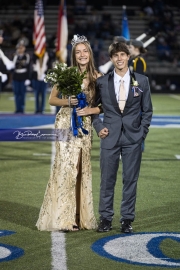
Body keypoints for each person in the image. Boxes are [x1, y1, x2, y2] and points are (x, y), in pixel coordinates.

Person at [36, 34, 102, 232]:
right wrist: (69, 102)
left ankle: (79, 216)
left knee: (81, 168)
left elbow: (104, 106)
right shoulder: (66, 74)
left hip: (84, 126)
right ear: (74, 55)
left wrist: (90, 110)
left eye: (85, 51)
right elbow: (52, 100)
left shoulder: (98, 77)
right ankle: (64, 219)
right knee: (66, 168)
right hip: (65, 123)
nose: (82, 55)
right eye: (78, 52)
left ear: (90, 54)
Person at [92, 42, 153, 233]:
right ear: (111, 59)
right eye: (115, 55)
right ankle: (105, 219)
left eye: (122, 55)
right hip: (109, 137)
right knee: (107, 180)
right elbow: (94, 110)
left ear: (128, 57)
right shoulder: (101, 82)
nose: (119, 58)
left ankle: (127, 219)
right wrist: (98, 126)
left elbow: (148, 111)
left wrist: (141, 133)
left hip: (133, 139)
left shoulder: (142, 81)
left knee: (130, 180)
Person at [128, 39, 147, 152]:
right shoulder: (132, 60)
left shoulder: (139, 60)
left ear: (136, 48)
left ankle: (139, 147)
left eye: (130, 47)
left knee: (137, 122)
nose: (129, 48)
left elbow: (138, 79)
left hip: (136, 95)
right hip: (131, 93)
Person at [12, 40, 30, 113]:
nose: (20, 49)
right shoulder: (15, 56)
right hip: (16, 76)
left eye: (22, 47)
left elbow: (28, 67)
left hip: (23, 76)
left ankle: (22, 108)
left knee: (22, 93)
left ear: (24, 48)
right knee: (16, 93)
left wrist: (28, 78)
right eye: (19, 47)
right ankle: (17, 108)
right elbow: (12, 66)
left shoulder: (27, 56)